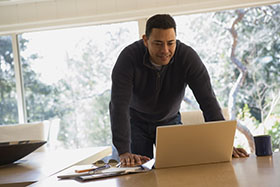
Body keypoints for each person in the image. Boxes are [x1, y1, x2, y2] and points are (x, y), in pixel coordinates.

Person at [109, 14, 248, 166]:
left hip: (169, 122)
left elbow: (208, 100)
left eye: (170, 43)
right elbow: (118, 105)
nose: (165, 50)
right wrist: (123, 151)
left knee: (178, 170)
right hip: (135, 123)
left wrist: (224, 145)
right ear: (145, 40)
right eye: (158, 43)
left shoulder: (187, 57)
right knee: (137, 172)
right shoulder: (128, 58)